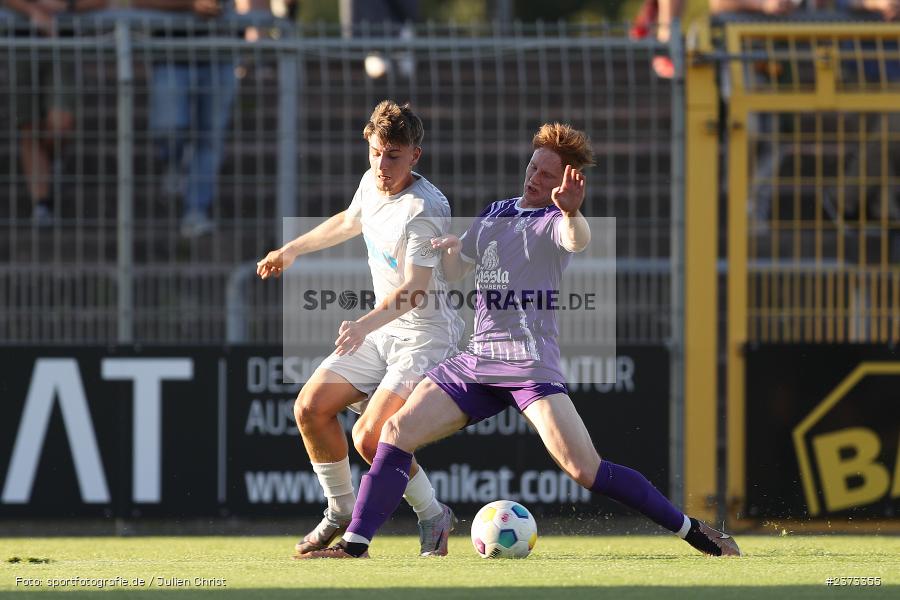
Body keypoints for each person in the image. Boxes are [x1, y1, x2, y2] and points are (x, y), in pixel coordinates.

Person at [298, 123, 742, 559]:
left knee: (585, 470)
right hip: (477, 361)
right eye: (533, 168)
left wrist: (571, 212)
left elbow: (577, 240)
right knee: (392, 432)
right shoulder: (496, 212)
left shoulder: (554, 221)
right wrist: (452, 250)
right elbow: (455, 273)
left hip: (528, 369)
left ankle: (694, 531)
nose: (535, 179)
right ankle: (355, 546)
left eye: (547, 175)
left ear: (563, 184)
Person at [257, 101, 464, 557]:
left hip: (425, 336)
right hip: (383, 328)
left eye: (393, 155)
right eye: (375, 152)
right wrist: (291, 250)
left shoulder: (425, 208)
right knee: (310, 407)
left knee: (372, 437)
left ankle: (434, 516)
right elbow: (350, 221)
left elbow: (414, 289)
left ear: (415, 156)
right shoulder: (371, 183)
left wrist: (362, 325)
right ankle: (340, 509)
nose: (382, 165)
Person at [134, 0, 246, 237]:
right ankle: (173, 163)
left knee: (210, 138)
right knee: (169, 127)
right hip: (171, 53)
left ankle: (196, 211)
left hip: (221, 54)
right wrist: (189, 5)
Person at [6, 0, 107, 225]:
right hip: (20, 38)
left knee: (61, 124)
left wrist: (65, 6)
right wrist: (33, 10)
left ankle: (50, 162)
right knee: (28, 123)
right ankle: (41, 202)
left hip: (63, 39)